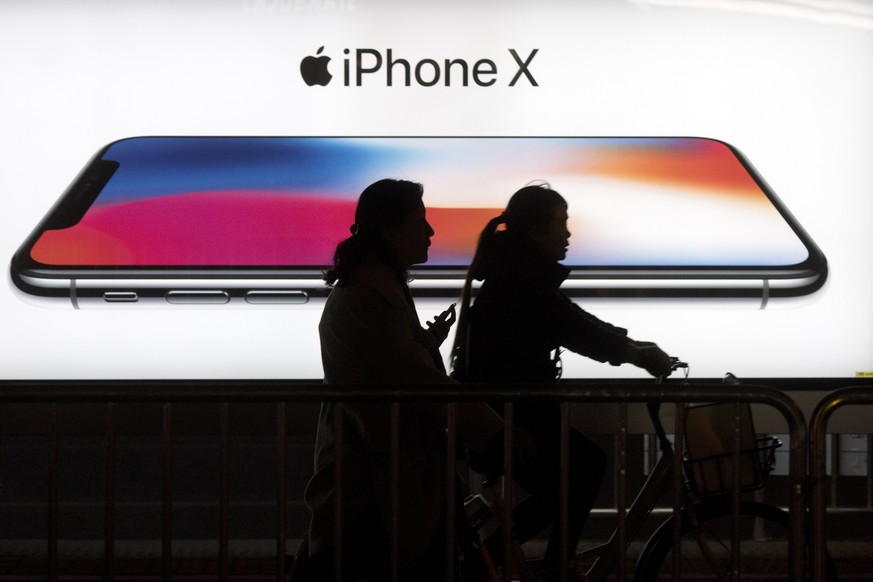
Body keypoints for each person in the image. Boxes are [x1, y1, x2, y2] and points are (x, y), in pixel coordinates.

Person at [303, 178, 524, 582]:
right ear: (389, 231)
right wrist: (496, 433)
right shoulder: (369, 297)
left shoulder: (370, 288)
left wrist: (426, 340)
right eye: (420, 221)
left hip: (384, 476)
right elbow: (417, 380)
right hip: (377, 483)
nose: (430, 231)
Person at [452, 183, 674, 580]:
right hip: (511, 425)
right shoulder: (523, 285)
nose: (568, 234)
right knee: (583, 469)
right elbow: (579, 329)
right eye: (562, 223)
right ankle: (536, 564)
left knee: (569, 480)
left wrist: (633, 347)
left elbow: (575, 322)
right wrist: (639, 354)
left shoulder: (515, 276)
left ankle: (506, 560)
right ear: (536, 232)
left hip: (506, 420)